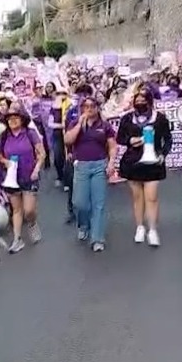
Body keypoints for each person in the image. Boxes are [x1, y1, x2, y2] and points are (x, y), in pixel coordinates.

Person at [116, 88, 172, 247]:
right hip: (133, 162)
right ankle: (140, 226)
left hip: (153, 163)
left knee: (152, 197)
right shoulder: (127, 119)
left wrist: (163, 154)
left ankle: (153, 229)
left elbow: (167, 139)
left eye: (143, 99)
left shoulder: (160, 118)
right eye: (137, 99)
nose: (140, 102)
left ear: (150, 101)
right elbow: (120, 137)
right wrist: (130, 140)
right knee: (137, 197)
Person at [64, 95, 116, 251]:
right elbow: (68, 140)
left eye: (92, 106)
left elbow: (112, 146)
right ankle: (83, 225)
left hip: (99, 165)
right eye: (85, 107)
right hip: (81, 166)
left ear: (97, 108)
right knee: (80, 203)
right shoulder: (75, 123)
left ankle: (97, 238)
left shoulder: (104, 126)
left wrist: (111, 162)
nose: (89, 109)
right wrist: (80, 124)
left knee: (98, 203)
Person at [0, 103, 46, 253]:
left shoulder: (30, 133)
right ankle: (17, 240)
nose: (12, 121)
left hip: (29, 175)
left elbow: (41, 153)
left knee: (28, 210)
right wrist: (6, 162)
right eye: (9, 118)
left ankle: (32, 223)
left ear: (22, 119)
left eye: (15, 117)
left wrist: (37, 169)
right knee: (17, 210)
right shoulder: (4, 136)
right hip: (11, 178)